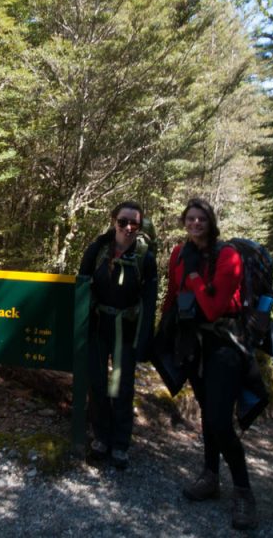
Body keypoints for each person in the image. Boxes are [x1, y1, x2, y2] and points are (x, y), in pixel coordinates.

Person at [160, 197, 259, 530]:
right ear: (183, 222)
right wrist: (162, 331)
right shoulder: (178, 253)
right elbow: (173, 294)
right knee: (206, 411)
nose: (195, 224)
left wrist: (195, 280)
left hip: (225, 344)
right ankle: (210, 476)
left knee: (219, 419)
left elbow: (214, 306)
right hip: (192, 342)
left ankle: (244, 493)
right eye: (190, 219)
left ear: (210, 222)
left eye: (201, 219)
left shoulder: (227, 255)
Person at [78, 200, 158, 470]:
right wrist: (80, 327)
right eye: (123, 221)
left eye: (134, 222)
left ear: (140, 224)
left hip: (127, 330)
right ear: (113, 221)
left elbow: (149, 301)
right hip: (99, 325)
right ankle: (101, 437)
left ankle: (121, 444)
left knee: (121, 388)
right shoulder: (98, 249)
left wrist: (145, 339)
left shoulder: (145, 257)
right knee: (98, 382)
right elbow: (82, 286)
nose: (128, 227)